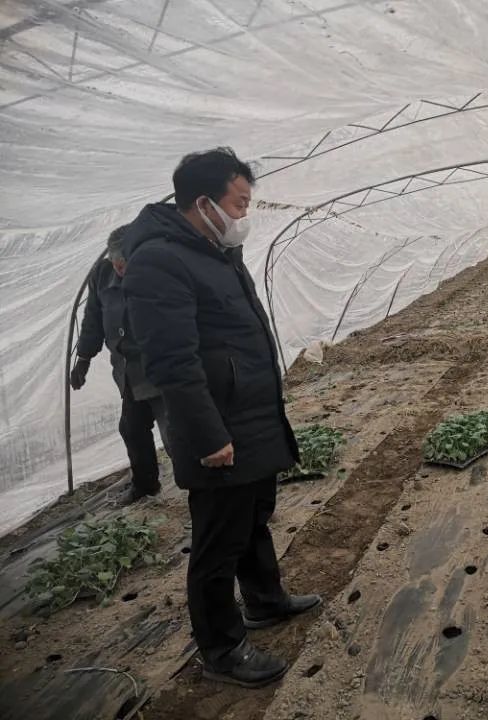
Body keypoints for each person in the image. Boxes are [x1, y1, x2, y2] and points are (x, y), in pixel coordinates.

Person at [121, 147, 319, 688]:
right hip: (217, 428)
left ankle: (265, 599)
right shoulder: (159, 260)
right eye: (240, 203)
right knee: (218, 541)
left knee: (253, 515)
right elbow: (171, 363)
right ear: (204, 202)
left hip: (248, 414)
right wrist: (209, 438)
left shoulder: (213, 252)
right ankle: (222, 648)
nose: (244, 216)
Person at [70, 226, 169, 504]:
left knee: (175, 437)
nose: (122, 269)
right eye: (118, 263)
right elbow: (93, 319)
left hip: (162, 371)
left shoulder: (159, 273)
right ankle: (145, 484)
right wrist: (84, 359)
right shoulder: (102, 275)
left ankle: (206, 492)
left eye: (128, 262)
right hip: (128, 373)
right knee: (132, 428)